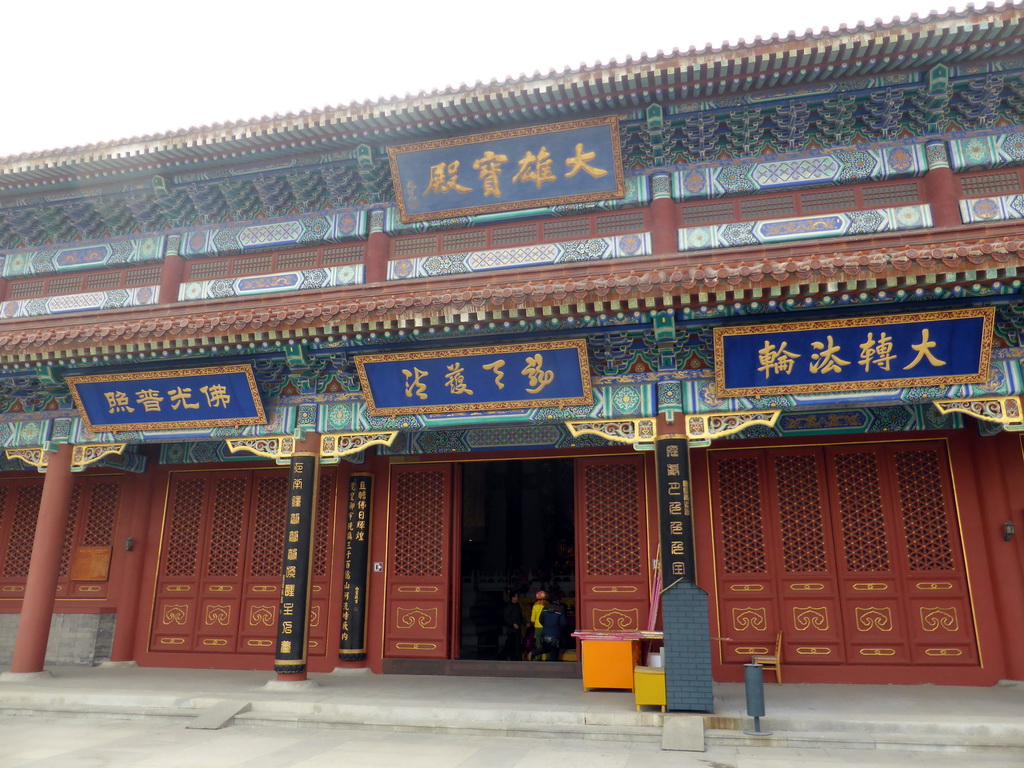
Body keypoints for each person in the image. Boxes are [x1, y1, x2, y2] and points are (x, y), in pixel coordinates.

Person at [498, 592, 522, 661]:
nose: (517, 598)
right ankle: (515, 658)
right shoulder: (508, 606)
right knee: (513, 644)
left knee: (513, 644)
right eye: (516, 596)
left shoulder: (517, 605)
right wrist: (513, 624)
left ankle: (515, 658)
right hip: (511, 630)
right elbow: (505, 617)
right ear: (513, 598)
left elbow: (520, 616)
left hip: (517, 629)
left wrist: (525, 622)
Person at [530, 590, 547, 659]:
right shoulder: (547, 605)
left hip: (537, 628)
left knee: (538, 644)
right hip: (546, 627)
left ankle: (539, 658)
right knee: (547, 645)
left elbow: (532, 619)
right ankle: (548, 659)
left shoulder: (535, 606)